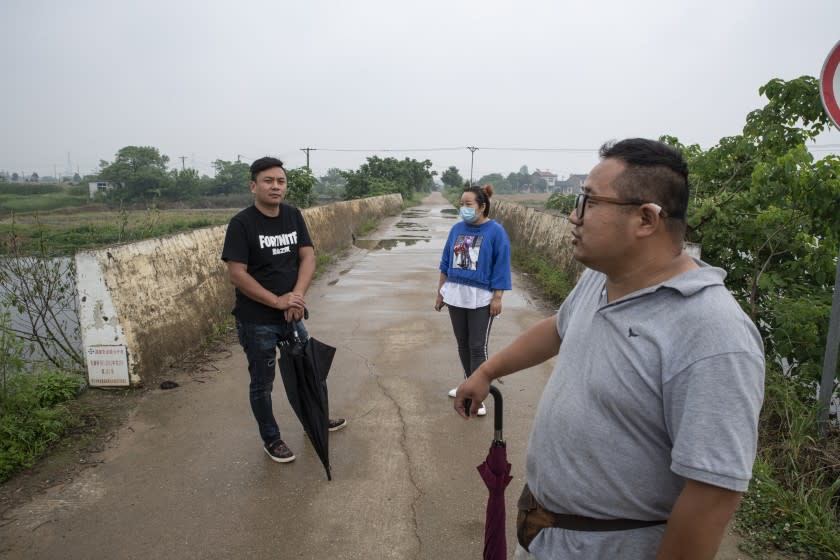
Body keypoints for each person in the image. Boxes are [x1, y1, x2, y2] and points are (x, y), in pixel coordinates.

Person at [454, 139, 765, 559]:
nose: (572, 215)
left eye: (587, 202)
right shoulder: (601, 280)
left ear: (646, 219)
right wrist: (486, 372)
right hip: (545, 533)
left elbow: (712, 495)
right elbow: (557, 329)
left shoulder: (713, 334)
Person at [221, 157, 346, 464]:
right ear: (254, 186)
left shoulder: (292, 216)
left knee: (309, 370)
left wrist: (297, 298)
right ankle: (272, 438)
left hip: (292, 315)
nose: (275, 186)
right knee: (263, 384)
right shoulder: (242, 224)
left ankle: (315, 418)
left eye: (280, 181)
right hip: (257, 321)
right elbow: (237, 273)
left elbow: (307, 257)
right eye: (268, 181)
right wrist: (278, 301)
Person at [435, 184, 512, 417]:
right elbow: (446, 262)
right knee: (463, 344)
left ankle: (479, 395)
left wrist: (497, 297)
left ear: (482, 206)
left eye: (468, 204)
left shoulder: (495, 232)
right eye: (462, 204)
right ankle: (468, 385)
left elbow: (501, 265)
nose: (464, 208)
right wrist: (440, 292)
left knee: (477, 347)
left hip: (481, 297)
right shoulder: (457, 229)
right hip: (456, 293)